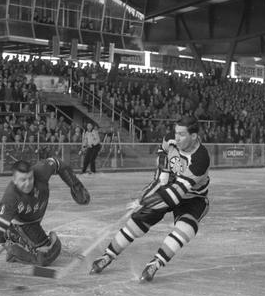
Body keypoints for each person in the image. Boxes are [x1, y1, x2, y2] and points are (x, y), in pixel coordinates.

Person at [89, 115, 211, 282]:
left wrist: (145, 201)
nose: (177, 137)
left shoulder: (201, 158)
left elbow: (176, 194)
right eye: (176, 133)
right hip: (169, 186)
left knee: (186, 227)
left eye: (182, 134)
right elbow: (162, 174)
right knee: (138, 221)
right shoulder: (170, 140)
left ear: (194, 136)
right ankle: (108, 255)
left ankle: (156, 262)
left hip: (192, 197)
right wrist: (144, 197)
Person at [0, 158, 90, 281]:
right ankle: (13, 246)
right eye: (23, 180)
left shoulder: (41, 171)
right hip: (23, 223)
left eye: (30, 178)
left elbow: (59, 164)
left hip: (34, 221)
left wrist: (75, 184)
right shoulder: (10, 197)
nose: (28, 183)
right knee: (46, 257)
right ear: (14, 180)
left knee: (50, 250)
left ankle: (12, 236)